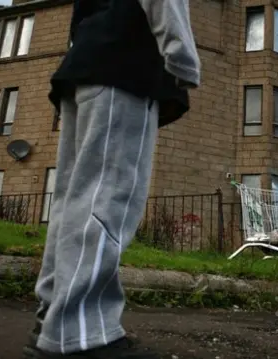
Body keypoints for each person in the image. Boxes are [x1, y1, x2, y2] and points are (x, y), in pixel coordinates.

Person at [23, 0, 200, 358]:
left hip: (86, 66)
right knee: (108, 199)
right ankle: (81, 334)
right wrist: (183, 59)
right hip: (125, 69)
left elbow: (80, 15)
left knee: (72, 203)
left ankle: (52, 319)